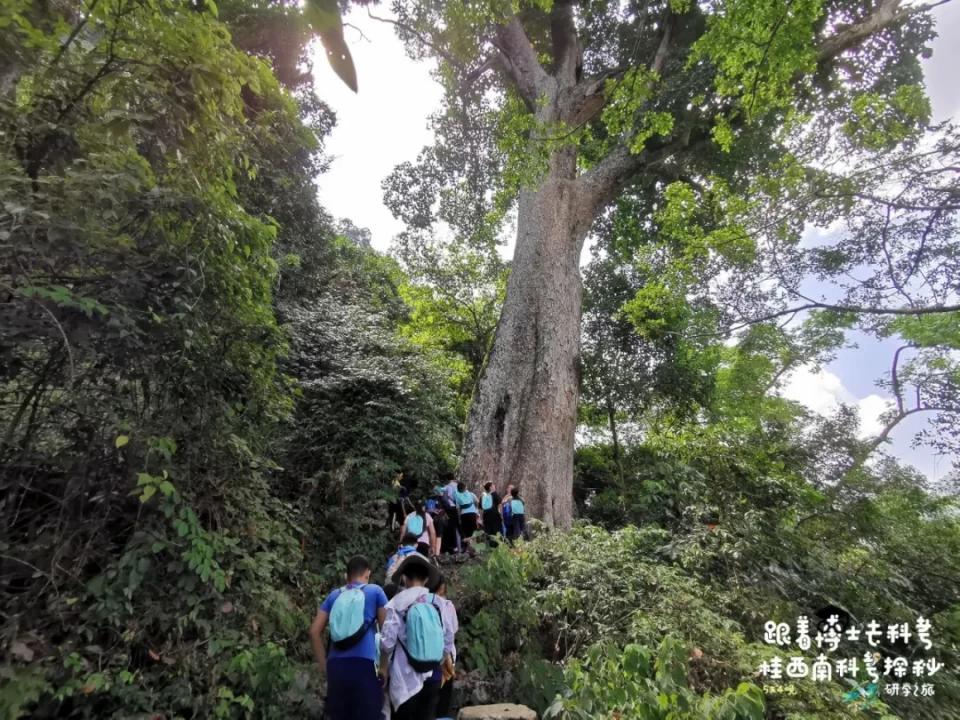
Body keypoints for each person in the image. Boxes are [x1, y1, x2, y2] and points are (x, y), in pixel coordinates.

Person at [308, 556, 388, 720]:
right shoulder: (375, 591)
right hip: (365, 666)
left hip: (336, 666)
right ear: (367, 574)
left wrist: (325, 667)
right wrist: (384, 667)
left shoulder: (334, 595)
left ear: (347, 576)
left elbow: (314, 632)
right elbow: (387, 632)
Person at [380, 555, 451, 720]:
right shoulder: (439, 603)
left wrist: (383, 669)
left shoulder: (396, 604)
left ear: (404, 578)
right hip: (433, 676)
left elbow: (387, 643)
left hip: (405, 682)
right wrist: (436, 660)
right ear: (426, 579)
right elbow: (448, 639)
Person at [432, 575, 459, 719]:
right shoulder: (447, 606)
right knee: (442, 700)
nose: (441, 597)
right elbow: (453, 631)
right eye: (439, 593)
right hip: (445, 657)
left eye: (443, 593)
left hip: (435, 658)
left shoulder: (424, 605)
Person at [455, 482, 479, 557]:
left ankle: (470, 550)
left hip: (463, 515)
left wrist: (459, 519)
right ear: (465, 487)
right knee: (474, 532)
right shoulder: (471, 494)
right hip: (472, 514)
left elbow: (458, 509)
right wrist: (476, 510)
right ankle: (475, 550)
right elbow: (477, 501)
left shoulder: (457, 496)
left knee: (467, 533)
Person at [440, 473, 461, 555]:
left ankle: (453, 547)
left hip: (451, 508)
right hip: (459, 508)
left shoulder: (447, 487)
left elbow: (439, 491)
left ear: (447, 479)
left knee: (452, 527)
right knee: (459, 527)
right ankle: (460, 547)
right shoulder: (458, 485)